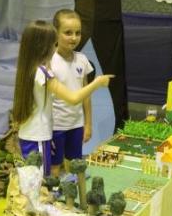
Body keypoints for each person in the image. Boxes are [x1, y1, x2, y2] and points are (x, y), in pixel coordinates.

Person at [12, 20, 113, 177]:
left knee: (35, 180)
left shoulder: (29, 69)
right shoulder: (43, 73)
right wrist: (97, 83)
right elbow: (73, 98)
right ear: (43, 47)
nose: (55, 48)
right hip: (38, 137)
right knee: (38, 181)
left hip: (32, 134)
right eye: (53, 44)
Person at [49, 9, 96, 177]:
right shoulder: (49, 62)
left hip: (76, 125)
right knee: (54, 167)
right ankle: (52, 198)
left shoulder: (82, 60)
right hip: (55, 127)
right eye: (68, 33)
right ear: (56, 33)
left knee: (75, 166)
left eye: (78, 33)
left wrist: (88, 124)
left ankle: (74, 197)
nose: (74, 37)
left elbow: (86, 95)